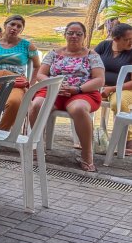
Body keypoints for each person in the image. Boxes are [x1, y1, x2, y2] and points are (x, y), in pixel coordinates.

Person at [29, 21, 105, 173]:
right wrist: (54, 85)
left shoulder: (92, 55)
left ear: (84, 36)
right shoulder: (53, 53)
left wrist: (76, 89)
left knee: (78, 109)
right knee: (37, 105)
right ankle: (37, 145)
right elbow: (41, 74)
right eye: (70, 33)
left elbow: (99, 79)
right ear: (65, 35)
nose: (74, 36)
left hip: (82, 92)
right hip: (53, 91)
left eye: (78, 33)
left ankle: (86, 154)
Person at [0, 15, 40, 130]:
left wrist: (31, 86)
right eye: (12, 24)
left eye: (19, 26)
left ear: (22, 29)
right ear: (5, 25)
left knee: (14, 102)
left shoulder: (28, 46)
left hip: (15, 82)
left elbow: (37, 67)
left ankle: (0, 133)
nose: (14, 28)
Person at [96, 23, 132, 156]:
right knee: (83, 99)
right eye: (127, 39)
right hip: (100, 87)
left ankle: (128, 140)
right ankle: (89, 137)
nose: (131, 42)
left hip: (125, 88)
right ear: (115, 39)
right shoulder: (103, 46)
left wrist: (112, 88)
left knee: (118, 102)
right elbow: (90, 64)